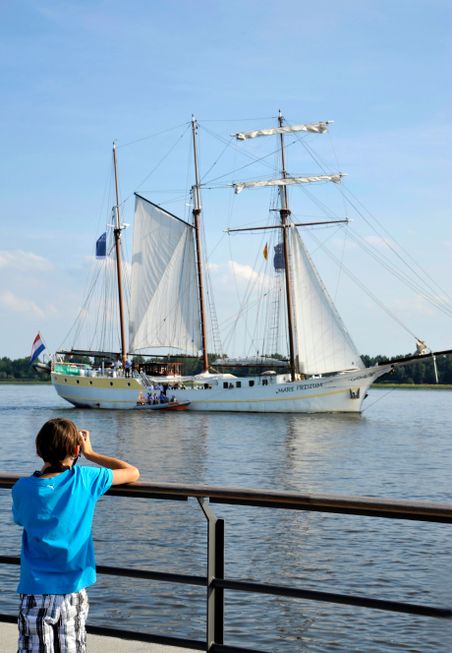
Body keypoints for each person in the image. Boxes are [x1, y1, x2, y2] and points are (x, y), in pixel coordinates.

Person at [11, 417, 140, 653]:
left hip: (35, 590)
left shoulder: (22, 488)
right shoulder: (85, 478)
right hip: (73, 590)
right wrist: (91, 453)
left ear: (39, 450)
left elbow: (20, 519)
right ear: (76, 450)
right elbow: (132, 472)